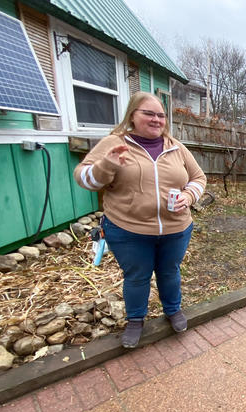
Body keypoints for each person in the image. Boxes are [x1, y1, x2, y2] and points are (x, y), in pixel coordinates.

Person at [74, 92, 206, 348]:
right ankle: (135, 320)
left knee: (169, 272)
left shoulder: (175, 147)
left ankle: (173, 310)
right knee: (137, 276)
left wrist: (189, 196)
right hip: (128, 230)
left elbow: (199, 178)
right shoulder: (115, 142)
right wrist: (106, 165)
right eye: (149, 113)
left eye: (161, 115)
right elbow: (84, 179)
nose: (157, 119)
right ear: (132, 115)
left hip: (175, 229)